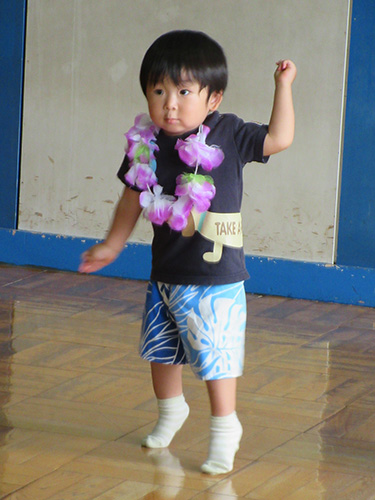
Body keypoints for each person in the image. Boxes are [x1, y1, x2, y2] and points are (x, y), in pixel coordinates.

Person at [80, 30, 296, 475]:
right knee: (161, 352)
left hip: (216, 277)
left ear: (212, 99)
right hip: (165, 273)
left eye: (182, 92)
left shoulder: (230, 133)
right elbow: (130, 199)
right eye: (158, 91)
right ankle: (171, 411)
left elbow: (279, 138)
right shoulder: (147, 145)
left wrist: (283, 87)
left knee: (215, 359)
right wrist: (112, 244)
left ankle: (224, 428)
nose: (169, 104)